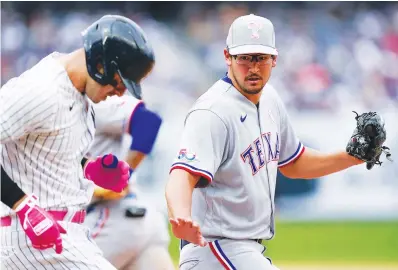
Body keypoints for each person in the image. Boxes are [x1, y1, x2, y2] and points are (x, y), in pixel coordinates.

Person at [165, 14, 388, 270]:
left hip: (244, 249)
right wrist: (180, 215)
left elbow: (294, 162)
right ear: (227, 57)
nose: (253, 67)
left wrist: (352, 157)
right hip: (215, 249)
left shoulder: (270, 99)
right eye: (244, 58)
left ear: (274, 59)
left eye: (260, 58)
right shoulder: (212, 112)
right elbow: (182, 175)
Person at [0, 15, 154, 269]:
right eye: (120, 82)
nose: (120, 93)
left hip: (61, 237)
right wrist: (21, 204)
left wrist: (89, 167)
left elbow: (44, 151)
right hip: (32, 241)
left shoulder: (78, 95)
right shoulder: (42, 89)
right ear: (100, 64)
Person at [83, 94, 175, 270]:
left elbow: (149, 121)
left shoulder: (94, 101)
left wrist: (122, 176)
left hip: (108, 219)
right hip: (142, 219)